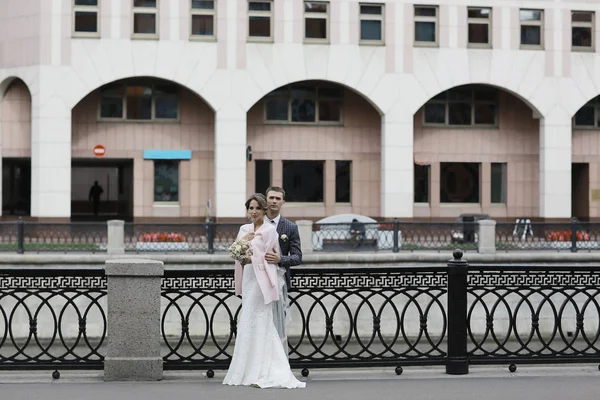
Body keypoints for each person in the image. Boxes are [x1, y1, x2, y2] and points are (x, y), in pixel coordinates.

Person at [222, 193, 305, 389]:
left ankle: (265, 369)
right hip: (249, 278)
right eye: (251, 208)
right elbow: (237, 255)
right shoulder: (243, 229)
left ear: (264, 210)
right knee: (247, 320)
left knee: (262, 320)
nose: (254, 211)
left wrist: (255, 258)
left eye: (258, 208)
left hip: (263, 281)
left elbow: (271, 257)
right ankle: (245, 369)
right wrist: (243, 249)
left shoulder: (270, 231)